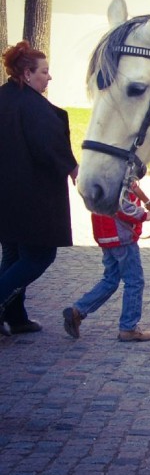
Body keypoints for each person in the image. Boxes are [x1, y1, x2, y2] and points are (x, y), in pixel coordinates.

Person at [0, 41, 79, 335]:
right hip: (30, 198)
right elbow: (50, 147)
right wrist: (73, 168)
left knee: (14, 256)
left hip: (6, 197)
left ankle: (16, 318)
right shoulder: (34, 108)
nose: (49, 77)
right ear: (26, 73)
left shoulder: (4, 99)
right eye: (44, 71)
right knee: (37, 257)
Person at [62, 188, 150, 342]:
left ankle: (77, 311)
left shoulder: (98, 177)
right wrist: (144, 215)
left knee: (110, 281)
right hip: (122, 237)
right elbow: (123, 206)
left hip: (106, 236)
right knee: (134, 282)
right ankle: (128, 328)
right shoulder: (116, 177)